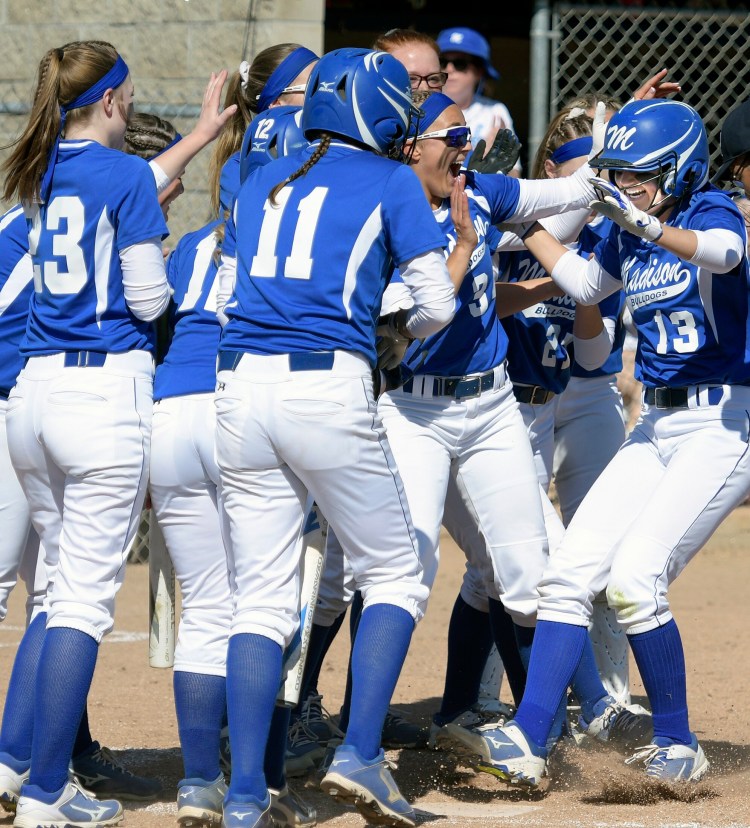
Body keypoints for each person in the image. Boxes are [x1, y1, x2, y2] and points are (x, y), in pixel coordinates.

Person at [471, 97, 750, 786]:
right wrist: (534, 220)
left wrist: (647, 223)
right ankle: (528, 737)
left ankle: (678, 743)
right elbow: (586, 282)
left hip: (723, 422)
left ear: (680, 170)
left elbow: (726, 251)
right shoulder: (629, 225)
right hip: (656, 422)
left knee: (634, 581)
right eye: (621, 176)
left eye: (641, 175)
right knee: (567, 576)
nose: (628, 187)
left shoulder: (705, 208)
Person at [214, 47, 455, 828]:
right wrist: (394, 333)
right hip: (326, 383)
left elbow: (231, 282)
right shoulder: (389, 177)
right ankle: (359, 756)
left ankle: (247, 796)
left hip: (240, 384)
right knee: (395, 569)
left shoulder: (260, 176)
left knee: (259, 600)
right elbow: (437, 304)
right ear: (378, 110)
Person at [0, 40, 232, 828]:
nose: (130, 107)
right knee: (80, 603)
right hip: (103, 390)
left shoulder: (40, 169)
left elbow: (133, 182)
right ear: (106, 101)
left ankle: (22, 767)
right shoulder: (125, 174)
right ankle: (44, 794)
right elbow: (143, 299)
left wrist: (197, 134)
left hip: (35, 391)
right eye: (125, 96)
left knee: (57, 591)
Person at [149, 111, 315, 828]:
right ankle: (252, 787)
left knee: (207, 608)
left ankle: (197, 782)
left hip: (170, 416)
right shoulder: (301, 238)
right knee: (266, 607)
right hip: (242, 412)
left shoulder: (195, 241)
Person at [208, 43, 319, 217]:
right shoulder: (240, 168)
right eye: (313, 86)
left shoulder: (333, 147)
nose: (324, 91)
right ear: (276, 105)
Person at [436, 26, 521, 175]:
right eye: (442, 62)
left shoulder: (495, 111)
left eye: (459, 63)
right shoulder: (423, 107)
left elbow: (514, 175)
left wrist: (496, 166)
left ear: (479, 72)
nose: (449, 69)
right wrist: (475, 159)